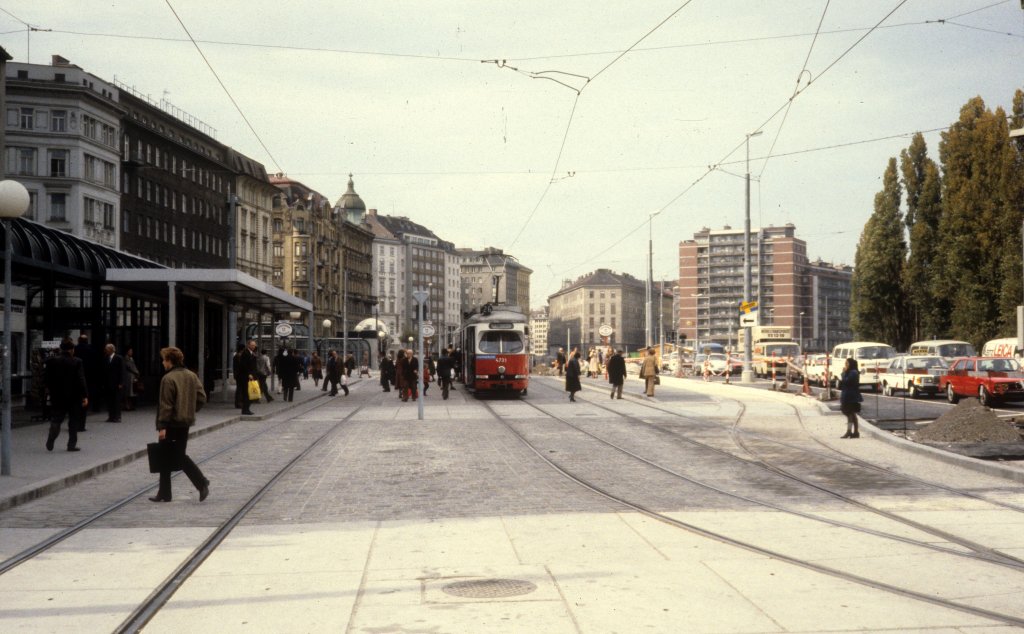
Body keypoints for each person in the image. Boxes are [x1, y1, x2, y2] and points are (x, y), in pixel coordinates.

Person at [149, 346, 210, 503]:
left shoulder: (168, 379)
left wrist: (162, 427)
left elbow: (166, 405)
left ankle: (201, 482)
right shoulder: (191, 375)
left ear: (170, 361)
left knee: (177, 456)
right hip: (185, 422)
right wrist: (190, 410)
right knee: (167, 455)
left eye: (164, 360)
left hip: (171, 424)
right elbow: (202, 397)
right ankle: (164, 492)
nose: (163, 363)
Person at [44, 339, 88, 452]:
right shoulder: (77, 361)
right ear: (72, 350)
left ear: (61, 349)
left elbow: (47, 378)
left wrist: (50, 390)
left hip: (57, 396)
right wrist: (85, 395)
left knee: (57, 419)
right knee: (73, 420)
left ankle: (51, 437)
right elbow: (80, 379)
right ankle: (71, 445)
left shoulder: (51, 361)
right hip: (74, 396)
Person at [839, 357, 863, 439]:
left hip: (850, 396)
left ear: (851, 364)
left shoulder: (853, 372)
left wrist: (843, 373)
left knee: (849, 413)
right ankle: (855, 432)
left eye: (847, 364)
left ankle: (849, 431)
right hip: (849, 395)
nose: (845, 365)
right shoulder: (852, 372)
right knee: (852, 414)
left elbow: (846, 381)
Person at [103, 343, 126, 422]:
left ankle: (117, 416)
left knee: (116, 401)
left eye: (107, 349)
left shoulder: (119, 358)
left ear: (111, 350)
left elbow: (122, 371)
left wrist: (121, 383)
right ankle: (111, 416)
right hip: (108, 383)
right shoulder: (106, 358)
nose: (106, 351)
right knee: (109, 400)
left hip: (117, 383)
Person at [233, 341, 257, 416]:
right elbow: (244, 365)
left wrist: (253, 374)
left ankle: (246, 408)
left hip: (250, 376)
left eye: (254, 345)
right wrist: (249, 374)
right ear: (248, 345)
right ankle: (245, 409)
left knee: (250, 393)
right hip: (245, 377)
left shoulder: (252, 354)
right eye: (252, 345)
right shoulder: (245, 353)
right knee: (246, 393)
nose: (253, 347)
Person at [123, 346, 141, 411]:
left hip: (132, 376)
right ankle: (127, 405)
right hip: (128, 377)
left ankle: (130, 405)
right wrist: (136, 372)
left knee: (132, 391)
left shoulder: (131, 358)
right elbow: (130, 367)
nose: (131, 352)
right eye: (130, 351)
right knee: (128, 392)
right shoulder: (126, 358)